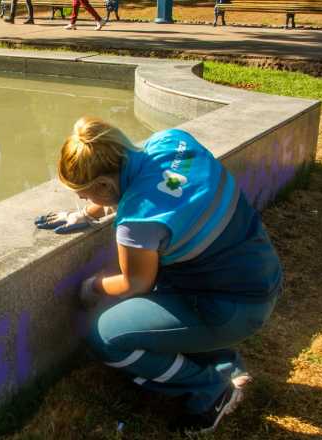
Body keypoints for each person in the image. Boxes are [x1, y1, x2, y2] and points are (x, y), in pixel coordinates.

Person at [35, 117, 283, 434]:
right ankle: (224, 361)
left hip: (234, 310)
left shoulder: (138, 219)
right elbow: (143, 185)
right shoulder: (173, 142)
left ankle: (210, 390)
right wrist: (85, 215)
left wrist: (93, 285)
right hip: (262, 275)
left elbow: (136, 282)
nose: (84, 201)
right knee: (169, 273)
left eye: (85, 196)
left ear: (104, 186)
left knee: (106, 335)